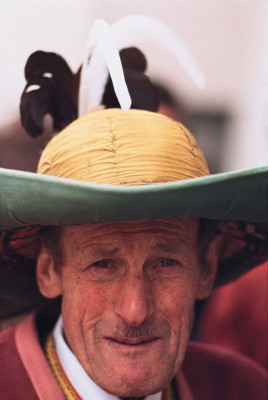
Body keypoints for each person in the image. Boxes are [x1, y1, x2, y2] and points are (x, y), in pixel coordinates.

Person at [0, 18, 267, 400]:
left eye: (166, 263)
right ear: (49, 270)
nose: (135, 310)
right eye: (102, 265)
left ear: (206, 267)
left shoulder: (243, 389)